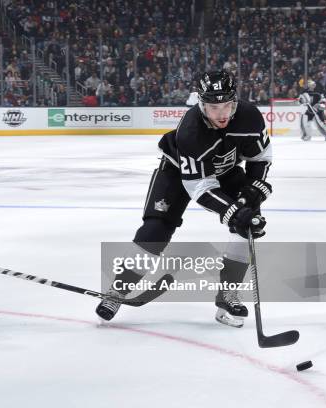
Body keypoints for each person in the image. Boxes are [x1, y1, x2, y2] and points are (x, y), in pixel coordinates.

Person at [96, 71, 272, 328]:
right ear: (201, 103)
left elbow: (261, 158)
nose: (222, 113)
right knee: (155, 230)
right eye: (213, 107)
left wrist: (254, 189)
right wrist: (233, 211)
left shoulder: (249, 117)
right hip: (178, 175)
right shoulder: (190, 131)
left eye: (227, 105)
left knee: (247, 226)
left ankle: (227, 297)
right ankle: (117, 291)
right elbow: (200, 186)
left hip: (227, 171)